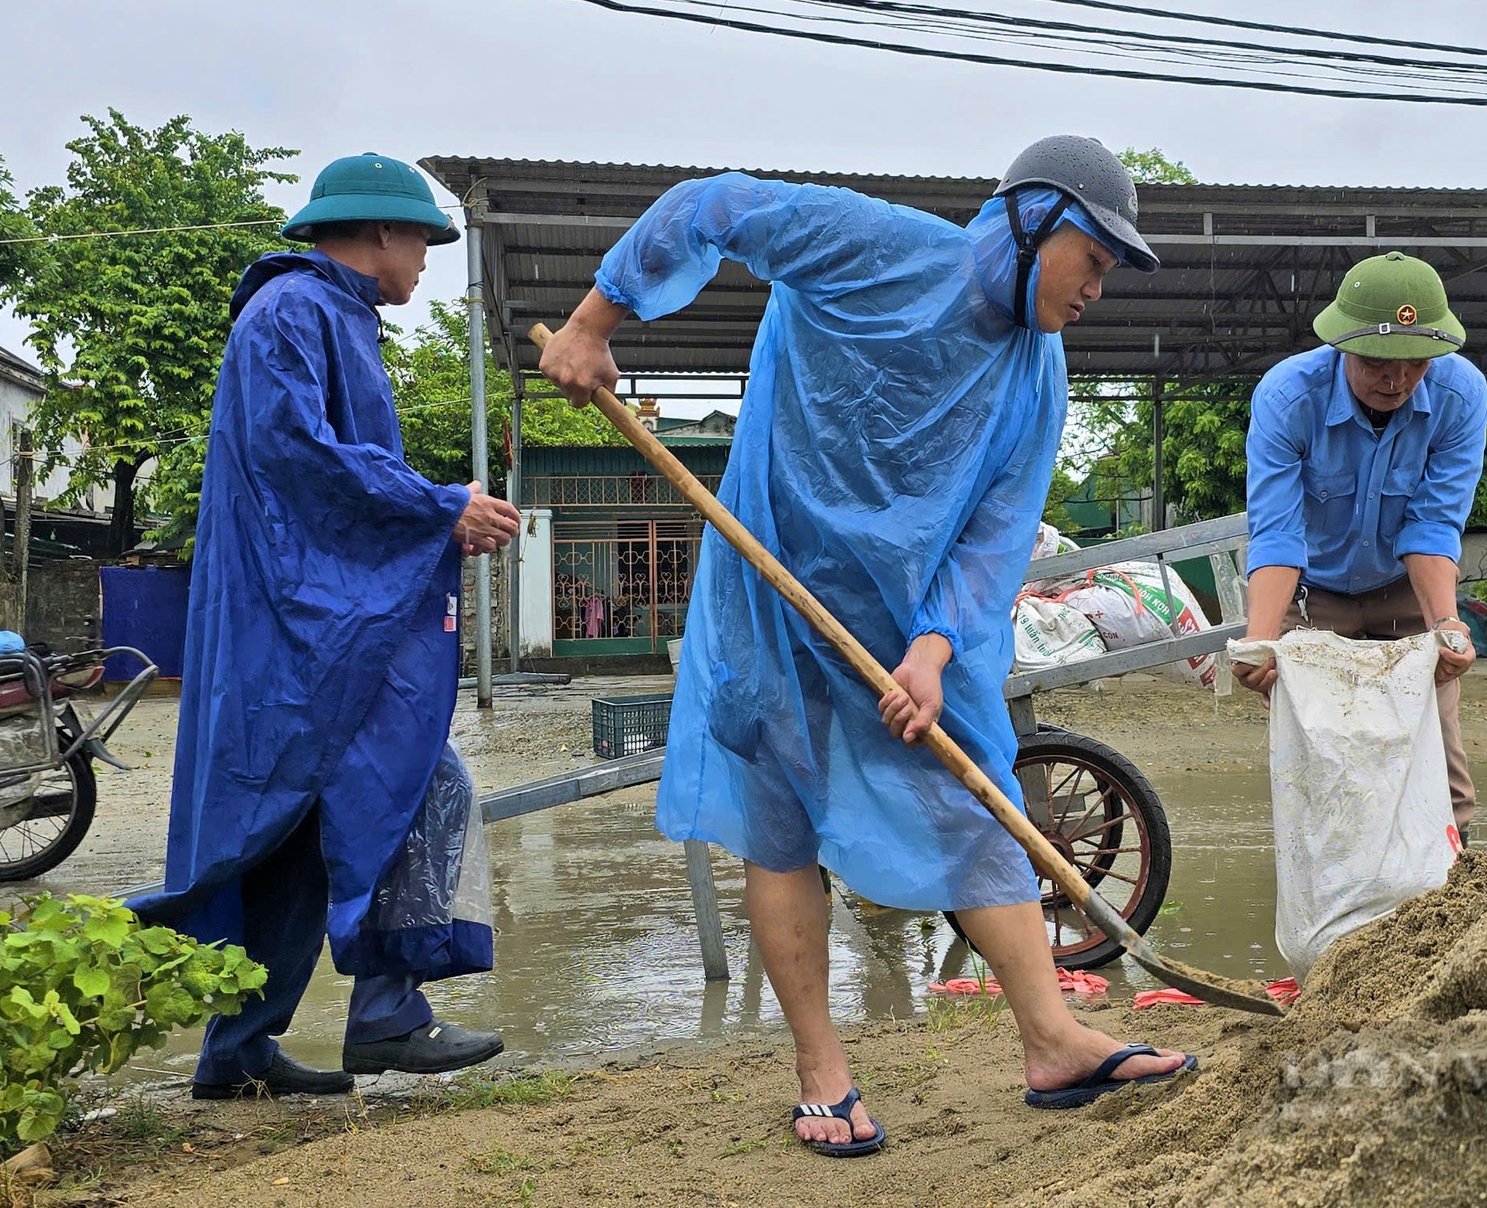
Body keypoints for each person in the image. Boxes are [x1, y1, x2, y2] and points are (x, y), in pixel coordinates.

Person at [539, 136, 1195, 1156]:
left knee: (980, 799)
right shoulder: (874, 247)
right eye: (1095, 259)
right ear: (1031, 221)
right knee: (780, 817)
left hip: (910, 621)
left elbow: (996, 528)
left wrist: (934, 647)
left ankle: (1052, 1038)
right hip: (773, 589)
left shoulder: (1036, 368)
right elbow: (713, 205)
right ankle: (821, 1071)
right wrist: (593, 321)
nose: (1097, 289)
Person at [132, 154, 522, 1100]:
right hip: (299, 633)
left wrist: (429, 515)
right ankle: (387, 1017)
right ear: (382, 233)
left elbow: (328, 472)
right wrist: (439, 509)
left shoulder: (329, 317)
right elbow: (302, 459)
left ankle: (238, 1051)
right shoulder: (294, 313)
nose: (427, 262)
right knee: (418, 782)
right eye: (424, 241)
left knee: (297, 837)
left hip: (307, 622)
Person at [1231, 251, 1487, 840]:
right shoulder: (1287, 397)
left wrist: (1446, 626)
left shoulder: (1460, 394)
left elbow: (1433, 523)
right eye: (1376, 362)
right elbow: (1277, 531)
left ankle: (1450, 904)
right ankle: (1344, 922)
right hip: (1316, 599)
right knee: (1326, 766)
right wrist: (1261, 641)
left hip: (1407, 596)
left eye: (1415, 364)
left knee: (1439, 768)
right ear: (1342, 344)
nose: (1395, 381)